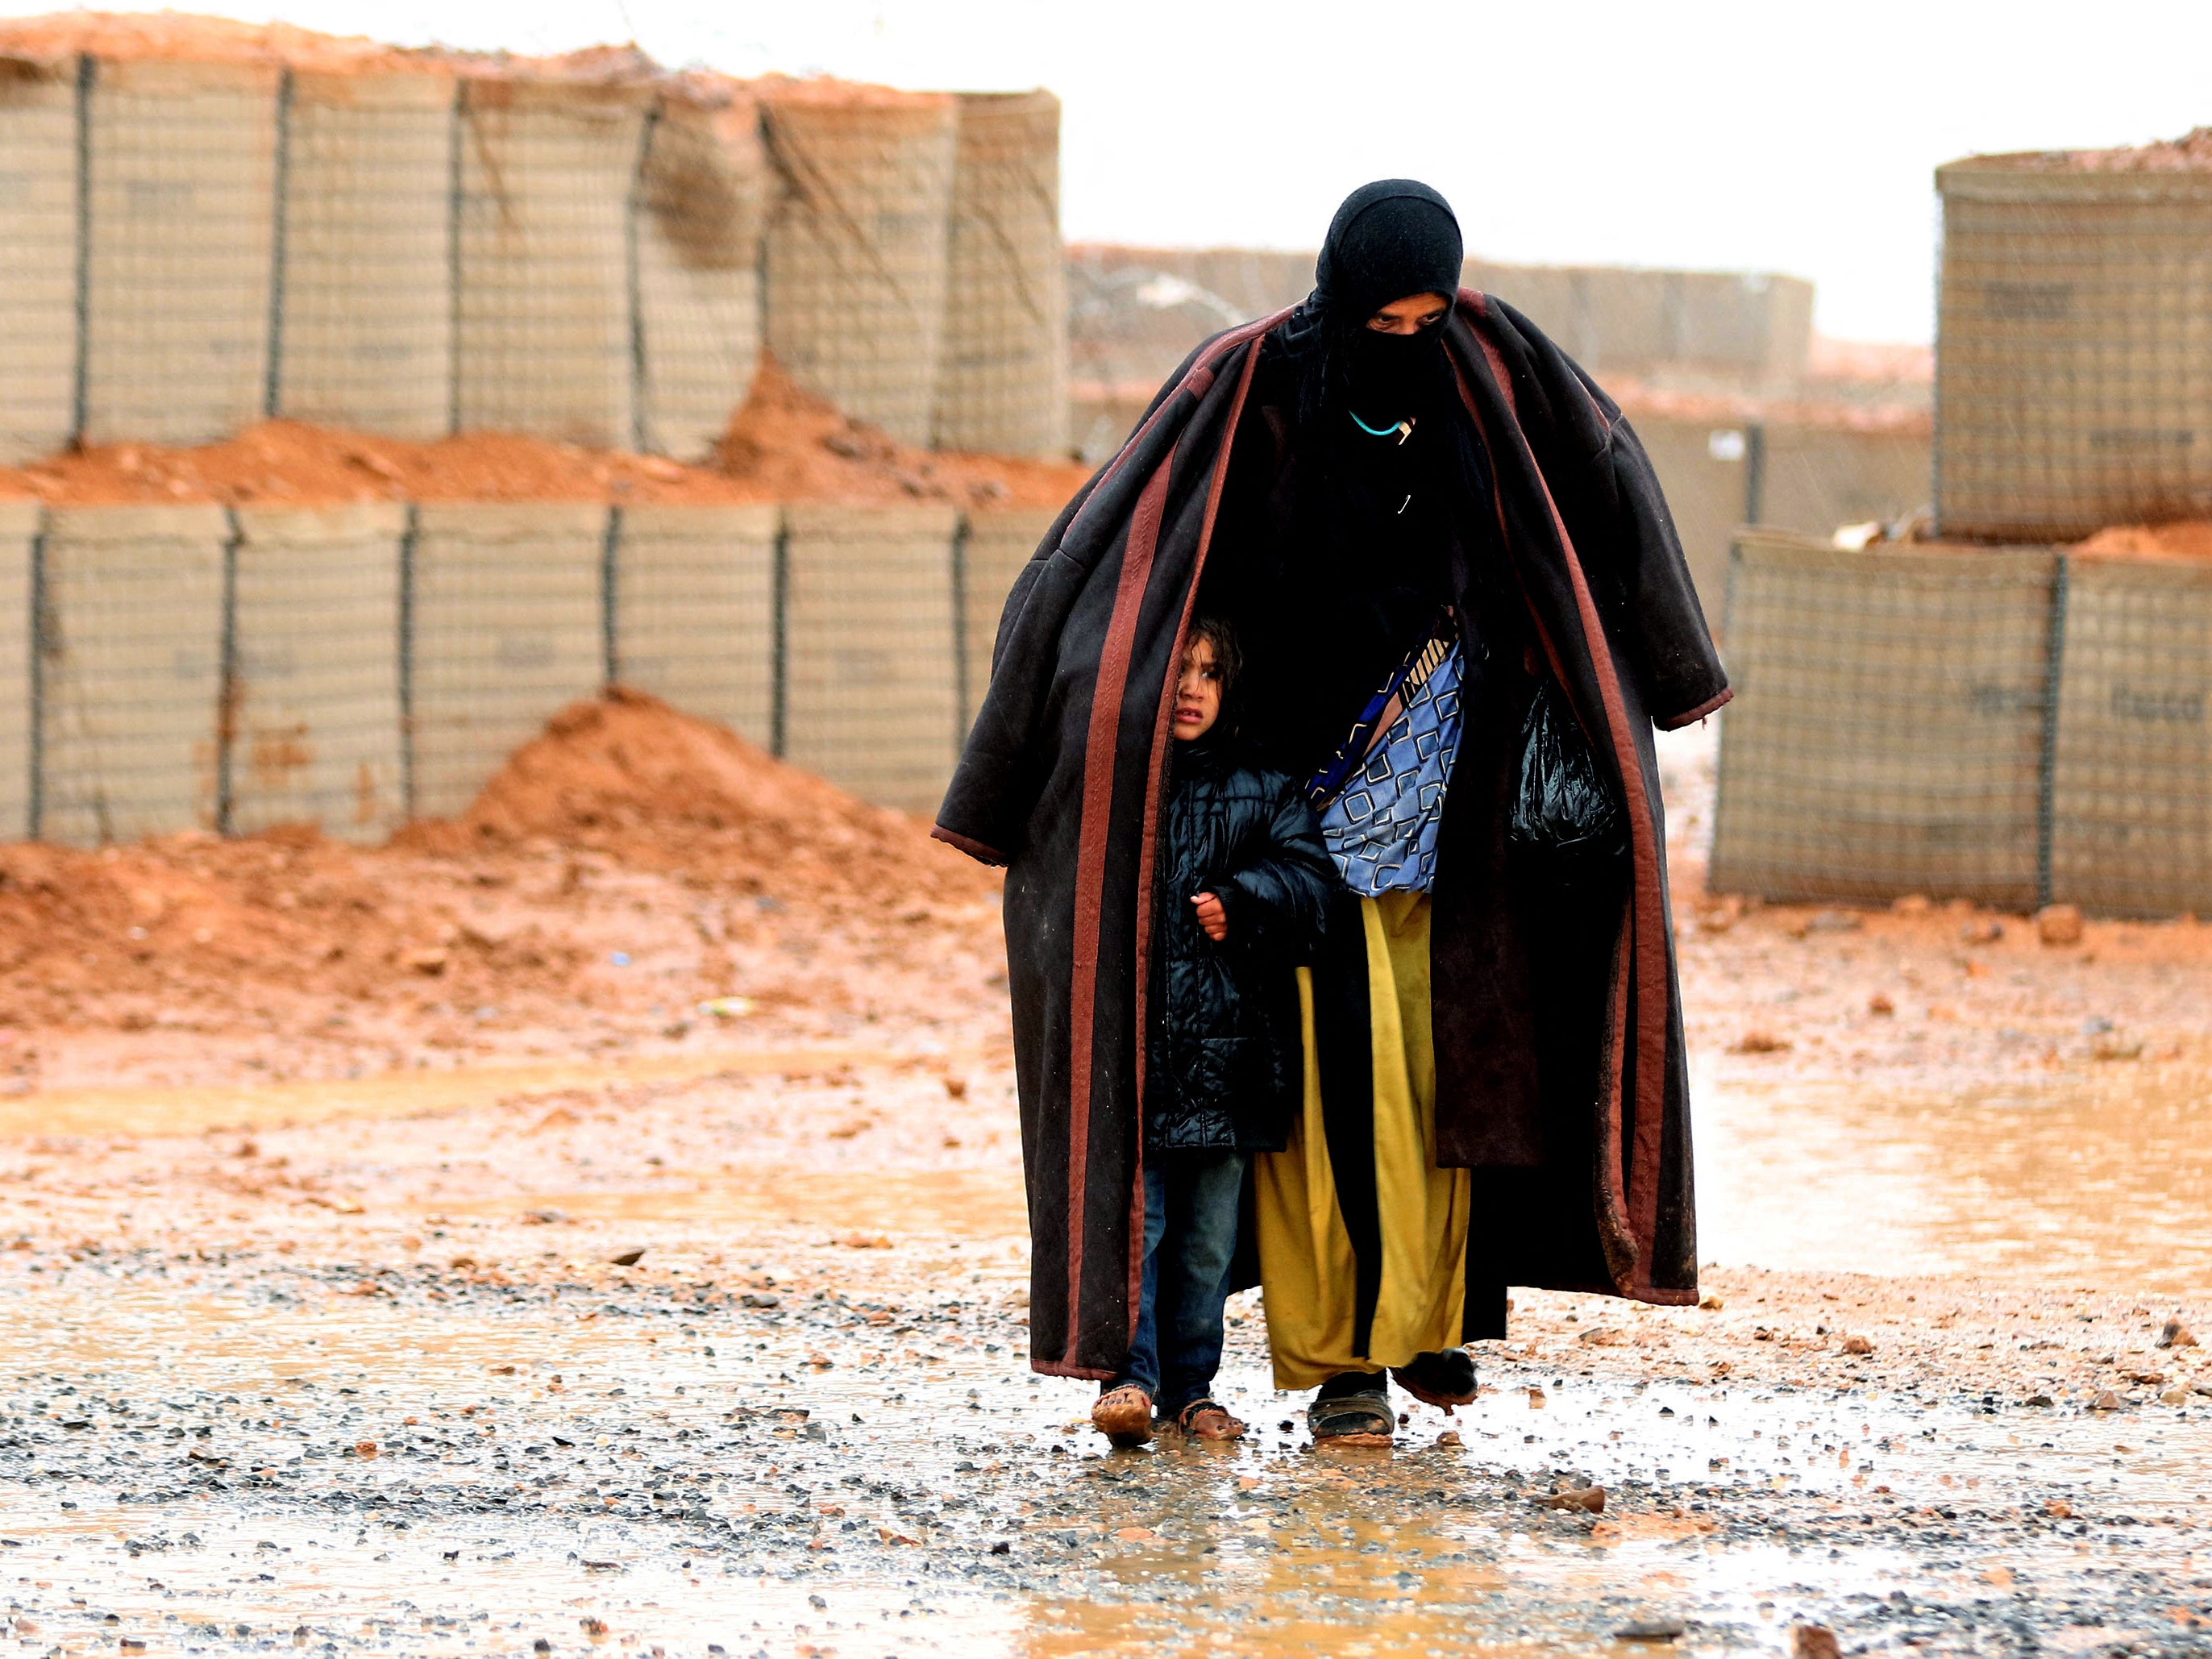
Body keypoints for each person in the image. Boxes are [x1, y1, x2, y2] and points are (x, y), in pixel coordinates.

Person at [937, 181, 1728, 1444]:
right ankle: (1340, 1367)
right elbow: (1113, 544)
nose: (1406, 346)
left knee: (1440, 1081)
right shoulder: (1250, 391)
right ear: (1341, 296)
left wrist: (1662, 677)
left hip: (1450, 815)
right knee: (1315, 1106)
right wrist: (1043, 748)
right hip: (1292, 810)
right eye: (1385, 321)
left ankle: (1426, 1327)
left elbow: (1601, 485)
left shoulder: (1490, 382)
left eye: (1426, 321)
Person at [1091, 617, 1333, 1447]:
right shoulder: (1118, 783)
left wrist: (1247, 897)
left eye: (1209, 673)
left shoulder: (1263, 787)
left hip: (1230, 1062)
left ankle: (1192, 1391)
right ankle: (1129, 1378)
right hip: (1138, 1063)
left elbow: (1313, 888)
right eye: (1178, 670)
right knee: (1140, 1229)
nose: (1191, 687)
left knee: (1203, 1245)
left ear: (1231, 689)